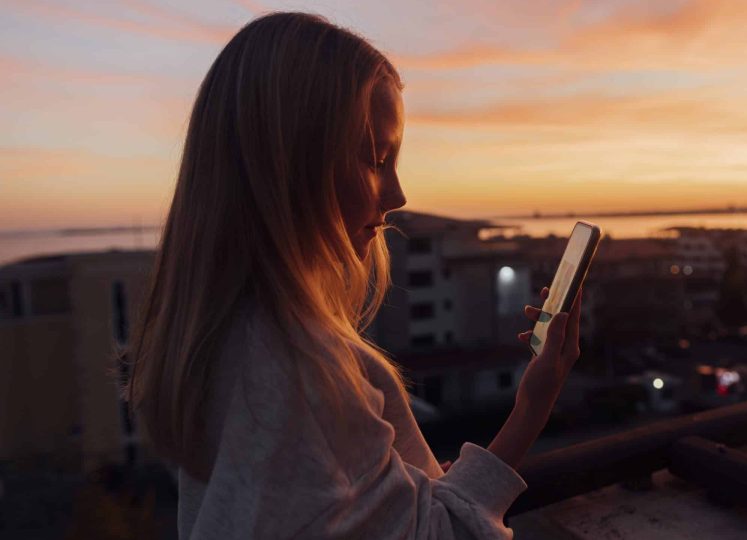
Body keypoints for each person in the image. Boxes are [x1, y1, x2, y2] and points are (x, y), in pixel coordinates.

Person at [124, 12, 583, 539]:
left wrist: (416, 485)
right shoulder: (299, 369)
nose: (397, 195)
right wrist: (533, 406)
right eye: (375, 158)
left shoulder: (227, 336)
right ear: (291, 165)